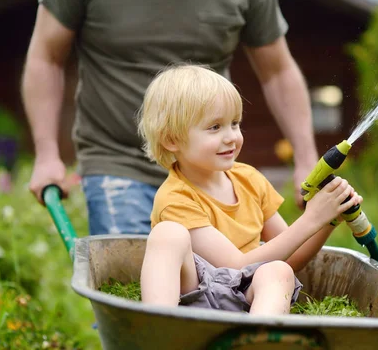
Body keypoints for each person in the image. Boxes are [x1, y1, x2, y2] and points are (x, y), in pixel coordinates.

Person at [22, 0, 319, 236]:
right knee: (134, 281)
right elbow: (46, 58)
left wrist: (306, 159)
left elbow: (278, 72)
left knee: (215, 282)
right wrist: (47, 155)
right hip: (117, 161)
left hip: (205, 168)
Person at [137, 65, 362, 314]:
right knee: (168, 234)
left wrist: (327, 219)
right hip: (195, 299)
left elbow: (291, 255)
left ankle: (257, 337)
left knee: (279, 270)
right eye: (215, 127)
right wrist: (312, 217)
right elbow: (234, 265)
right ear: (171, 140)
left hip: (248, 299)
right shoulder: (175, 197)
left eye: (234, 124)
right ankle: (158, 323)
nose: (231, 136)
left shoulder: (249, 180)